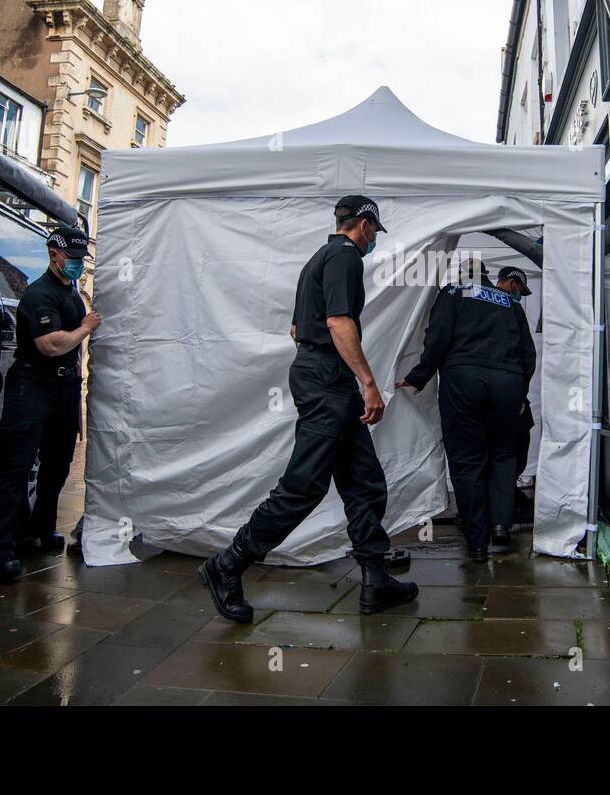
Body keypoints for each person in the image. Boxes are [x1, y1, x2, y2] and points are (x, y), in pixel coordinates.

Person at [199, 195, 418, 622]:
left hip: (325, 375)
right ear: (365, 226)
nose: (374, 239)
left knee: (364, 481)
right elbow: (338, 322)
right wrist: (369, 383)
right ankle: (226, 565)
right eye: (374, 231)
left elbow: (298, 328)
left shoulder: (317, 259)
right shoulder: (345, 257)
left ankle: (375, 578)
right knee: (304, 485)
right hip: (328, 381)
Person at [0, 225, 100, 583]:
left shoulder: (71, 294)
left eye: (80, 260)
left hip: (62, 390)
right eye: (72, 259)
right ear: (54, 255)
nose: (77, 265)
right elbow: (52, 344)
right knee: (14, 469)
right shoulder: (38, 295)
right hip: (32, 387)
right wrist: (86, 328)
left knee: (57, 465)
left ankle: (38, 530)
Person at [397, 255, 537, 562]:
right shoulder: (510, 303)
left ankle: (477, 542)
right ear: (486, 275)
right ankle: (500, 527)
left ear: (462, 274)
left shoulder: (451, 293)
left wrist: (418, 376)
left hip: (464, 382)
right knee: (503, 456)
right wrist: (520, 394)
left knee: (467, 461)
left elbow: (437, 339)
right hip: (507, 385)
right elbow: (528, 354)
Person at [495, 265, 538, 481]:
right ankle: (508, 490)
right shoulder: (513, 309)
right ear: (512, 283)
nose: (519, 295)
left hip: (473, 390)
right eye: (520, 289)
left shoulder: (472, 303)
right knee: (515, 444)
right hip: (509, 390)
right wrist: (521, 395)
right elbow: (528, 355)